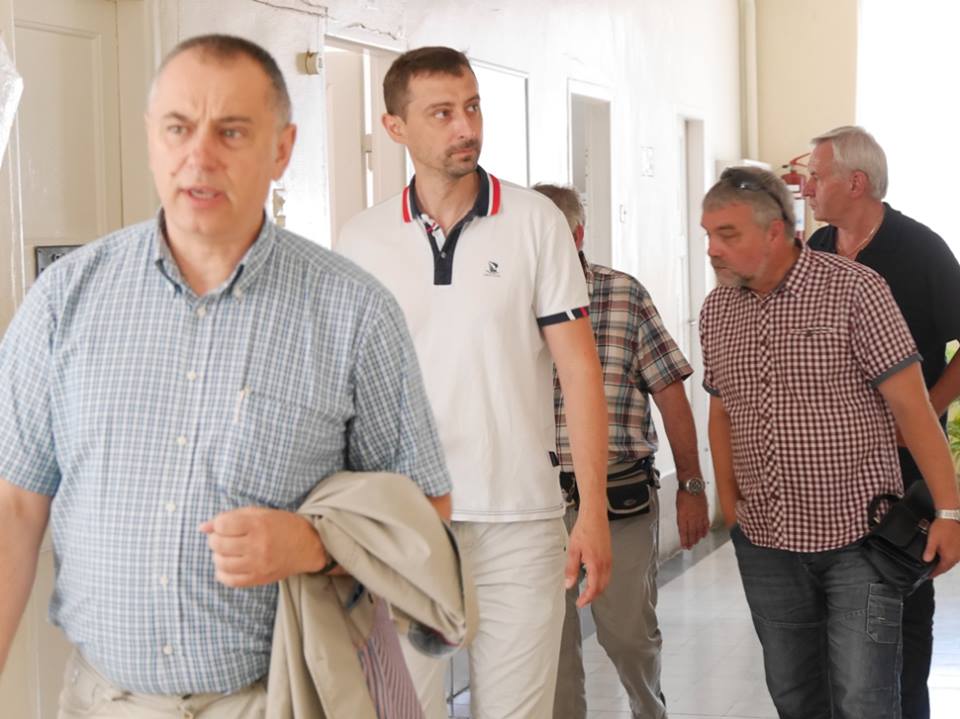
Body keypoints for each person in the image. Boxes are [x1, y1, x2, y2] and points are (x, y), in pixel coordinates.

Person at [0, 34, 452, 718]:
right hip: (101, 701)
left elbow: (426, 512)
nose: (199, 156)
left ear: (282, 149)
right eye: (178, 128)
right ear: (151, 138)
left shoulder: (355, 312)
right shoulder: (65, 300)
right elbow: (13, 508)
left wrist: (314, 543)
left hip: (277, 700)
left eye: (231, 131)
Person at [338, 47, 612, 719]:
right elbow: (346, 389)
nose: (465, 127)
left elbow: (580, 371)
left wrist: (594, 510)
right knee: (402, 711)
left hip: (519, 520)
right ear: (395, 127)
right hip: (404, 524)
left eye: (472, 107)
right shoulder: (361, 239)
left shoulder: (536, 222)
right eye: (441, 113)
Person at [699, 165, 960, 719]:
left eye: (727, 234)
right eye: (709, 234)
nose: (712, 249)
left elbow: (914, 408)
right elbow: (722, 411)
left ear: (774, 231)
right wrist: (730, 502)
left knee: (865, 701)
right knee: (795, 697)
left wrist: (949, 511)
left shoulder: (855, 289)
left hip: (858, 541)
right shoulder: (718, 309)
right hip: (767, 544)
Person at [533, 183, 710, 719]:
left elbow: (670, 393)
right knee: (551, 647)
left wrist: (691, 485)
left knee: (629, 634)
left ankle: (648, 710)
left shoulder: (623, 295)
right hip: (536, 503)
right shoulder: (506, 299)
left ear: (577, 235)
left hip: (618, 498)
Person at [804, 125, 960, 719]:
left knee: (903, 620)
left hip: (904, 469)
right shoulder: (817, 248)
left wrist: (926, 411)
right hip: (829, 472)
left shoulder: (921, 250)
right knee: (837, 623)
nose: (807, 187)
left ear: (856, 182)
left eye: (816, 175)